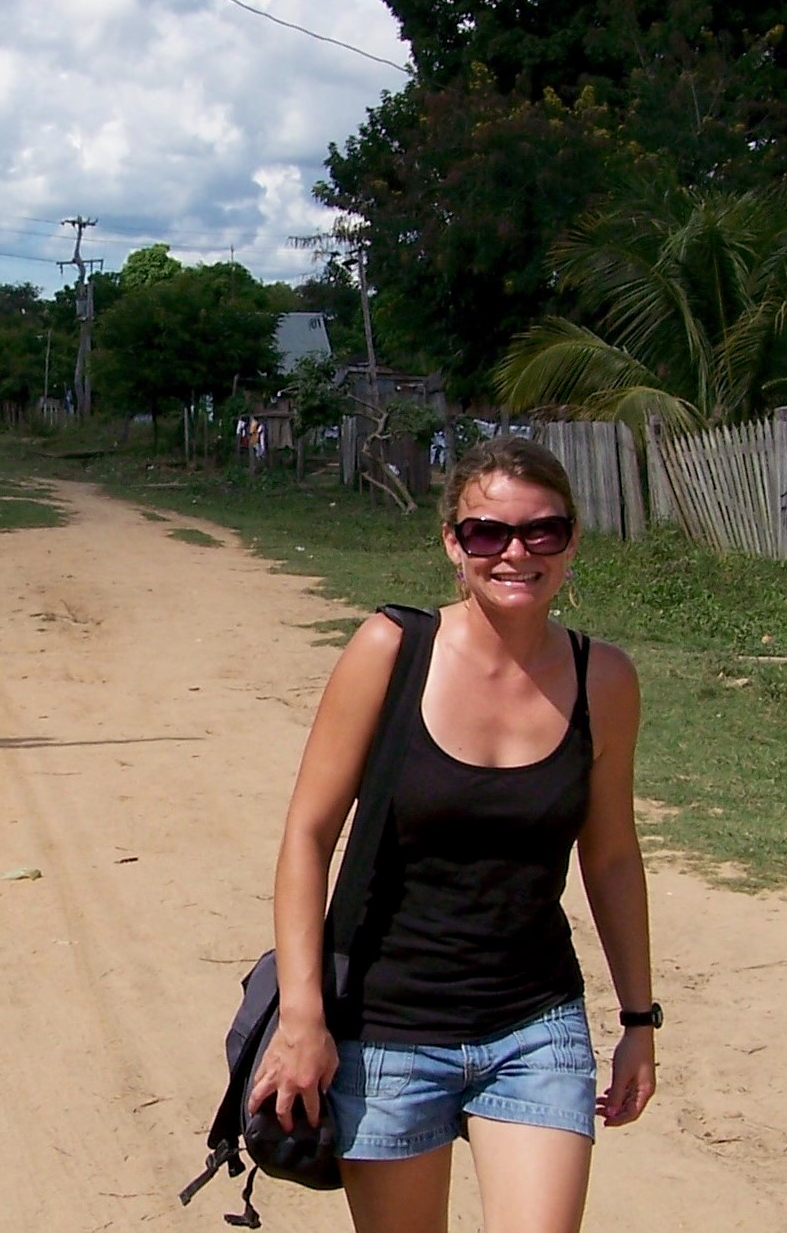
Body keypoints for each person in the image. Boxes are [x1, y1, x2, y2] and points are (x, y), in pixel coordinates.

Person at [247, 435, 659, 1233]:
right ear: (452, 542)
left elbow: (609, 857)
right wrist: (303, 1017)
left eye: (542, 530)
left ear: (571, 540)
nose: (515, 552)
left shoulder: (602, 678)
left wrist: (639, 1022)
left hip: (533, 1023)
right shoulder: (392, 651)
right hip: (387, 1031)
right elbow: (308, 833)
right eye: (486, 533)